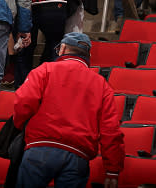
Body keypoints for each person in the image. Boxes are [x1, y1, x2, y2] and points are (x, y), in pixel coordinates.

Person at [13, 32, 125, 188]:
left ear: (62, 48)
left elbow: (23, 102)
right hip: (78, 155)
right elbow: (111, 130)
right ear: (88, 55)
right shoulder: (102, 84)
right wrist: (112, 170)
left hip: (40, 147)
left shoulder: (44, 70)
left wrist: (19, 125)